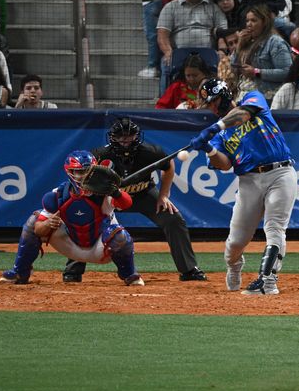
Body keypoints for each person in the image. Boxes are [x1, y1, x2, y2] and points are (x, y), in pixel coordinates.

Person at [62, 118, 208, 283]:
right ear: (112, 137)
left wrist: (163, 195)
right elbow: (84, 177)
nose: (125, 140)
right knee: (84, 220)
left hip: (143, 193)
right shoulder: (100, 155)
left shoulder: (151, 152)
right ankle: (73, 270)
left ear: (137, 136)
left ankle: (189, 270)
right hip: (108, 197)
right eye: (120, 137)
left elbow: (168, 166)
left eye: (129, 136)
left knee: (173, 219)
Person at [188, 78, 297, 295]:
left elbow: (243, 114)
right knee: (236, 242)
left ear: (224, 95)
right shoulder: (221, 136)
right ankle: (235, 265)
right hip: (249, 181)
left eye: (213, 101)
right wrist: (208, 148)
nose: (211, 107)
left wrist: (215, 127)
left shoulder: (252, 98)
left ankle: (268, 281)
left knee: (275, 228)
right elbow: (224, 163)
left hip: (281, 173)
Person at [0, 151, 143, 287]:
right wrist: (48, 223)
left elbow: (126, 204)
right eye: (79, 172)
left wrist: (115, 192)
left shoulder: (104, 191)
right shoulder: (59, 195)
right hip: (70, 245)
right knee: (34, 221)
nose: (83, 176)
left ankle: (129, 274)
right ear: (70, 172)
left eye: (87, 171)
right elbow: (38, 230)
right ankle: (20, 272)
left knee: (120, 235)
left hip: (100, 249)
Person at [157, 0, 227, 93]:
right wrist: (168, 52)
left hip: (207, 53)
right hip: (179, 53)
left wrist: (221, 50)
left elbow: (222, 33)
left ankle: (219, 101)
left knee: (223, 64)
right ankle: (164, 104)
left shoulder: (214, 8)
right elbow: (162, 35)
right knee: (165, 63)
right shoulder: (170, 7)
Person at [230, 4, 292, 101]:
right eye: (247, 21)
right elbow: (233, 67)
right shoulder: (247, 41)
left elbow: (287, 72)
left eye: (253, 20)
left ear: (264, 22)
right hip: (245, 94)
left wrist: (256, 72)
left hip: (267, 97)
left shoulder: (275, 42)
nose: (249, 24)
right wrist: (239, 45)